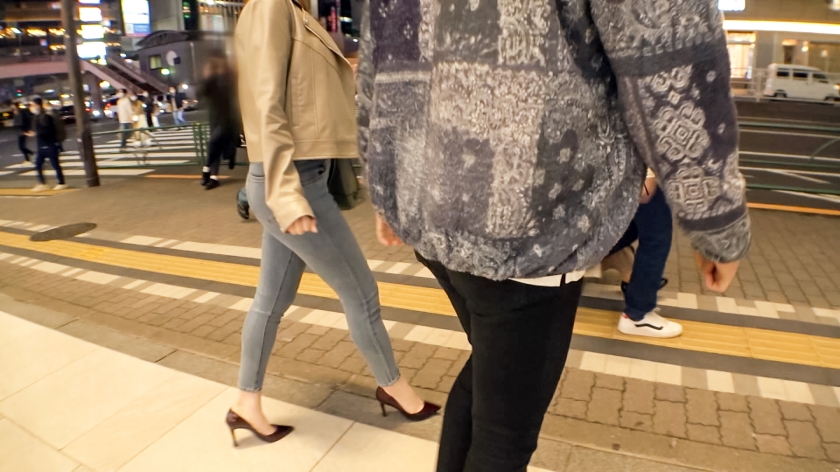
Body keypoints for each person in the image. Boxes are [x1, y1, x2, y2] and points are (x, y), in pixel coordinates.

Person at [357, 1, 751, 471]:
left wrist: (384, 181)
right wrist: (716, 219)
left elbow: (380, 49)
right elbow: (669, 60)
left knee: (489, 379)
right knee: (504, 436)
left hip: (430, 201)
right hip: (532, 222)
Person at [228, 0, 439, 446]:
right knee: (361, 292)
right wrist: (286, 194)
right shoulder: (271, 6)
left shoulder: (294, 10)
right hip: (294, 181)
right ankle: (394, 387)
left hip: (299, 177)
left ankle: (246, 402)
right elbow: (265, 102)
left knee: (271, 299)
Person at [607, 170, 681, 338]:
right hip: (641, 170)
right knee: (656, 237)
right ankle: (637, 315)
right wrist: (648, 174)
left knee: (628, 227)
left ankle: (577, 261)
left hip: (635, 169)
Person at [198, 52, 239, 190]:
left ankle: (206, 170)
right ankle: (213, 177)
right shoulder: (213, 79)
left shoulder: (230, 77)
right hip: (215, 119)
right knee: (216, 147)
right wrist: (207, 77)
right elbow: (201, 93)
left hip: (228, 120)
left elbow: (233, 96)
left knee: (214, 143)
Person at [25, 97, 66, 192]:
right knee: (38, 165)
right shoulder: (36, 117)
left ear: (37, 105)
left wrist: (36, 133)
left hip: (50, 144)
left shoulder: (46, 117)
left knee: (55, 165)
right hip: (41, 145)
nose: (31, 107)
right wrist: (35, 133)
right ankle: (42, 183)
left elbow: (50, 131)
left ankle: (62, 183)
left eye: (32, 105)